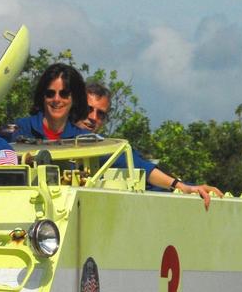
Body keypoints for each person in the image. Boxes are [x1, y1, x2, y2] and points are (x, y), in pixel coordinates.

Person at [82, 80, 224, 208]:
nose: (93, 118)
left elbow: (141, 168)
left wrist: (185, 187)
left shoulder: (105, 147)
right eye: (88, 109)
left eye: (101, 114)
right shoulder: (64, 136)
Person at [12, 63, 91, 139]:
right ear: (42, 96)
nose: (56, 99)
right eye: (50, 93)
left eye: (64, 94)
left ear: (75, 98)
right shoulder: (20, 129)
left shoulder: (84, 139)